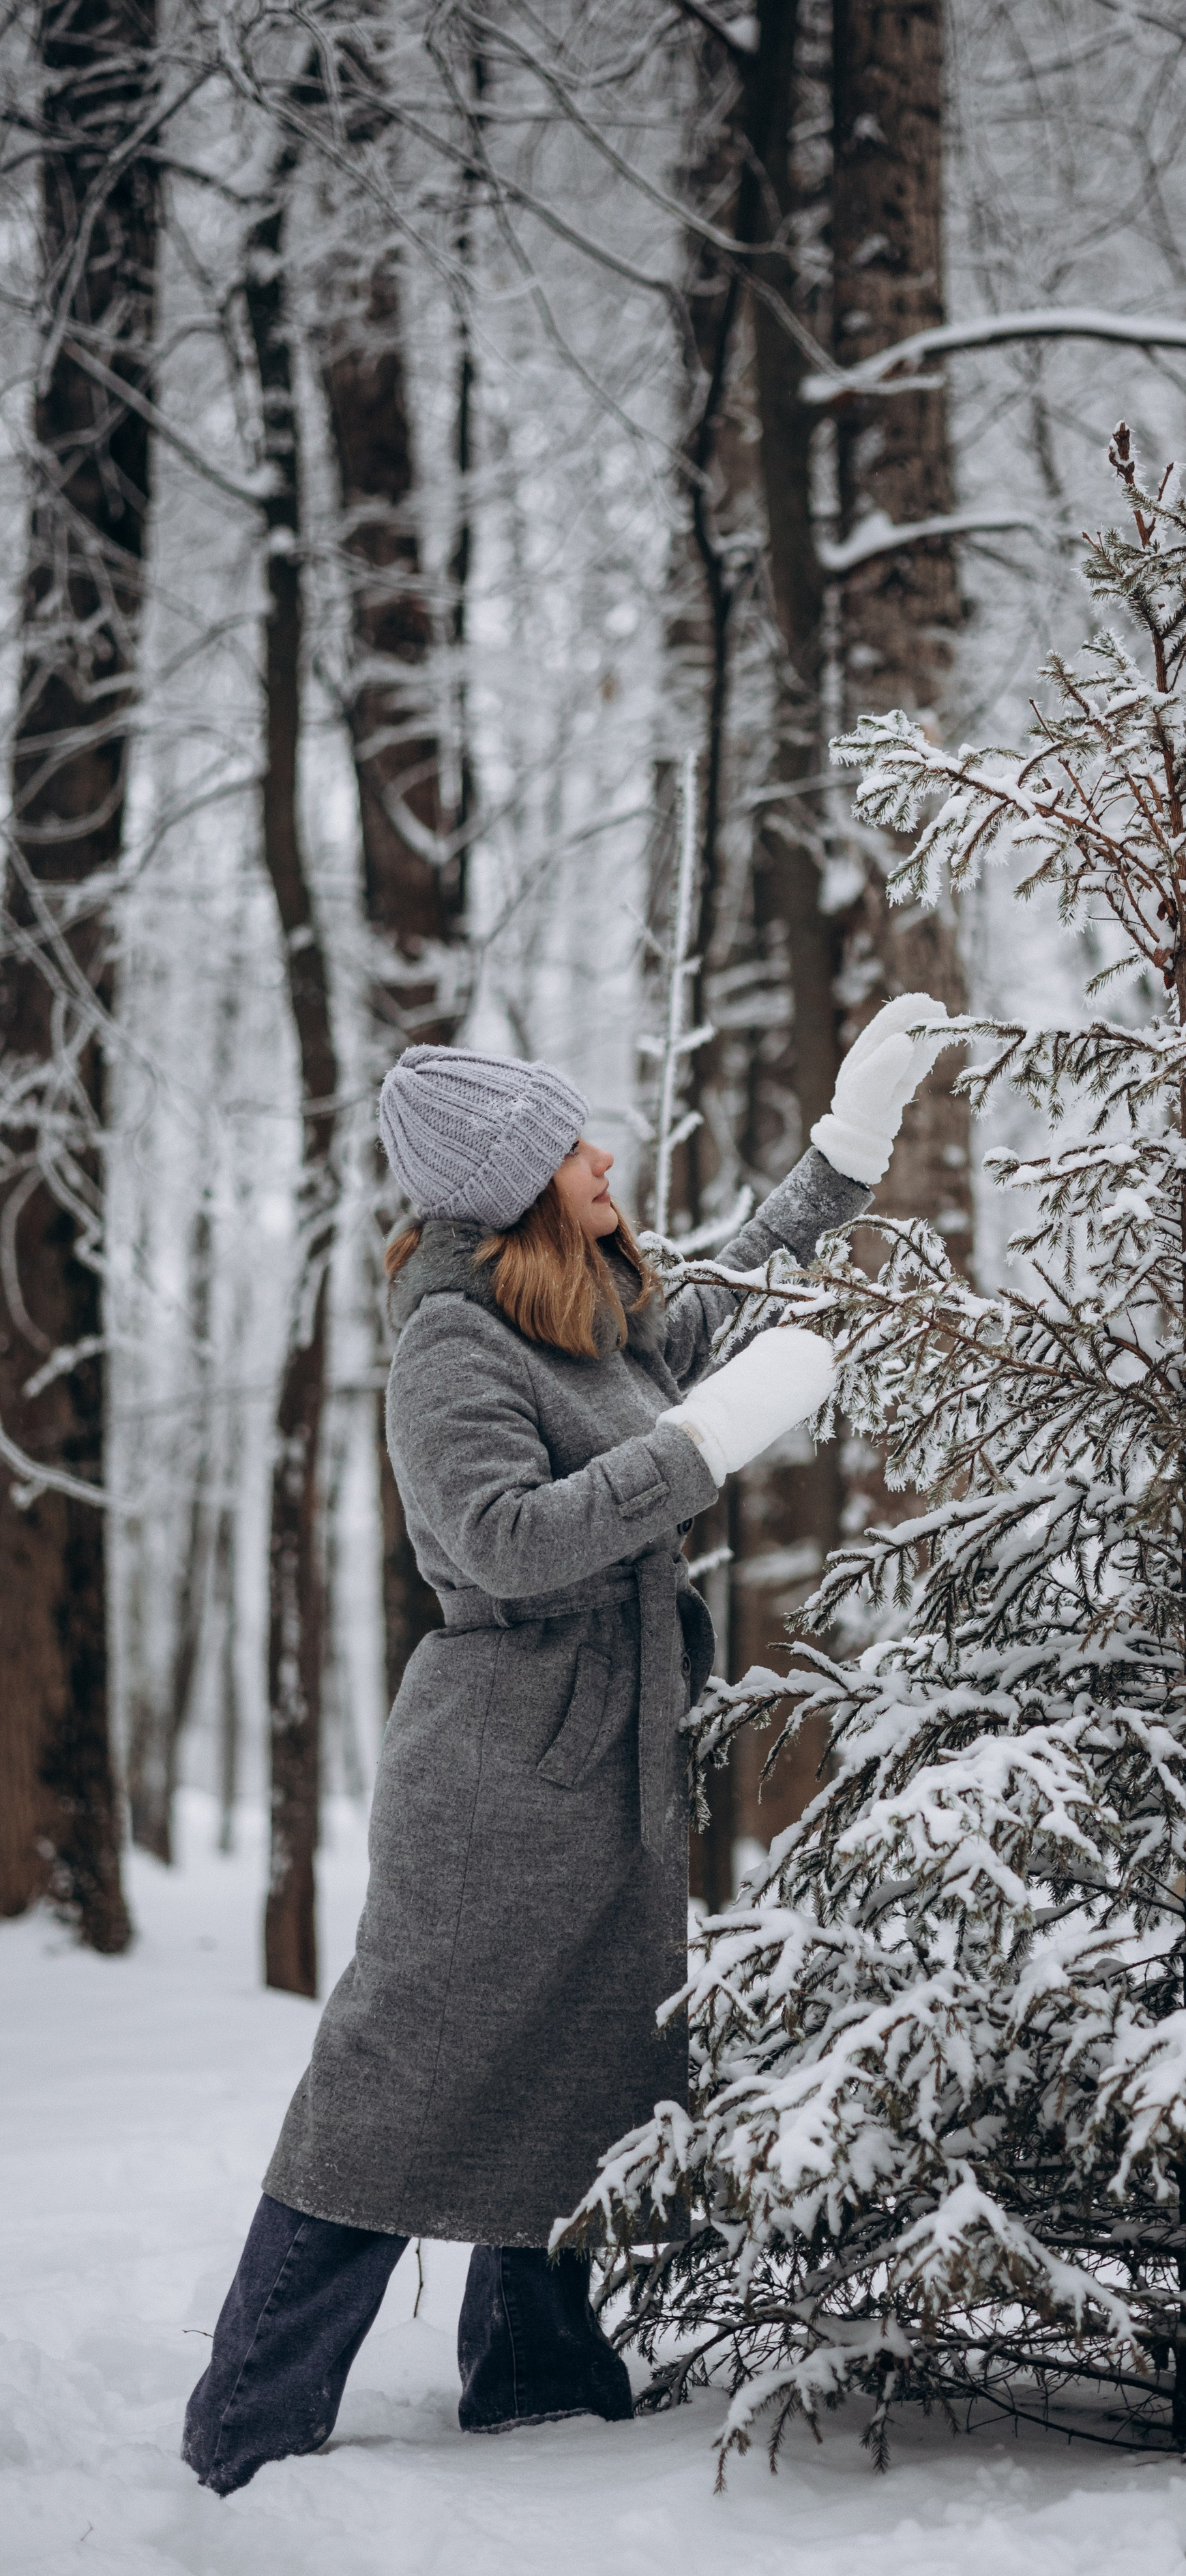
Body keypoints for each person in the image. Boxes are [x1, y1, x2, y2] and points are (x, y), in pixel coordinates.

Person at [182, 995, 948, 2496]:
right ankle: (249, 2416)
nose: (607, 1159)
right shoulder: (450, 1343)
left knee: (587, 2062)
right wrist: (702, 1448)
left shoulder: (584, 1310)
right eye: (573, 1147)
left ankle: (535, 2373)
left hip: (610, 1756)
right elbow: (498, 1542)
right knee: (397, 2087)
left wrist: (846, 1147)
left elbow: (719, 1288)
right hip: (498, 1763)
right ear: (515, 1186)